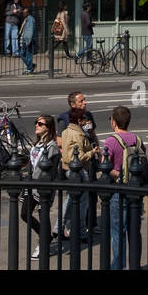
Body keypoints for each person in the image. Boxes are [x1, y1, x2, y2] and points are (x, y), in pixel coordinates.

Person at [99, 105, 145, 270]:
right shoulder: (137, 139)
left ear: (113, 122)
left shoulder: (111, 141)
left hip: (119, 192)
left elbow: (105, 167)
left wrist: (118, 174)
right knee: (135, 231)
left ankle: (118, 266)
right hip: (136, 190)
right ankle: (135, 265)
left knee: (118, 232)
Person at [23, 114, 61, 259]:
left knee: (43, 215)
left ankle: (43, 245)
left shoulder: (52, 148)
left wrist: (46, 187)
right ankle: (46, 237)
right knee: (24, 214)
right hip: (31, 185)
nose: (36, 125)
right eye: (36, 122)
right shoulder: (36, 144)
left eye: (40, 124)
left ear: (48, 128)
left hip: (43, 187)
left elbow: (52, 171)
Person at [58, 104, 97, 242]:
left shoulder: (66, 131)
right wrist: (92, 152)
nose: (86, 121)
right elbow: (79, 157)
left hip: (67, 170)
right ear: (79, 120)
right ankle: (79, 231)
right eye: (84, 119)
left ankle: (59, 227)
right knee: (82, 204)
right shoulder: (78, 134)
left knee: (70, 200)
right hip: (79, 171)